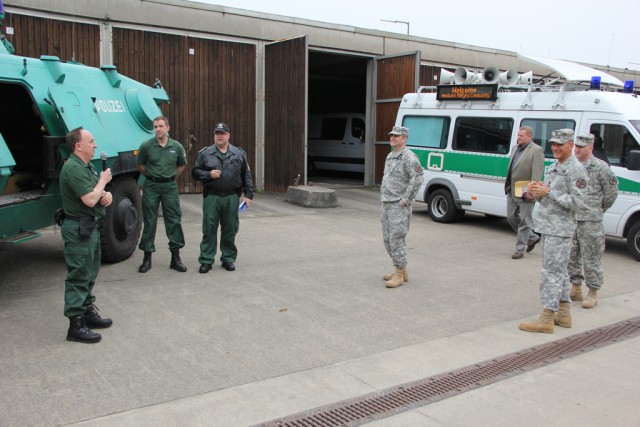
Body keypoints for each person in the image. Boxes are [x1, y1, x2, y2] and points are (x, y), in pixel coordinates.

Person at [519, 129, 587, 333]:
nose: (555, 148)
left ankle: (547, 317)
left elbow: (577, 203)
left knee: (551, 273)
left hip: (561, 229)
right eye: (553, 144)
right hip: (548, 227)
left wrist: (549, 192)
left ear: (571, 145)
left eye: (560, 144)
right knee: (560, 272)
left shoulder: (576, 170)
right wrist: (537, 191)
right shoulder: (555, 167)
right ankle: (563, 313)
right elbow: (548, 196)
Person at [59, 127, 114, 343]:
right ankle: (75, 325)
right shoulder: (73, 168)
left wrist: (106, 194)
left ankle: (87, 312)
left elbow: (95, 194)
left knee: (90, 271)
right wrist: (103, 182)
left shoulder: (86, 166)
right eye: (91, 141)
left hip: (89, 226)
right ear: (78, 145)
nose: (95, 145)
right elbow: (89, 200)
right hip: (78, 228)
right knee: (78, 275)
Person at [192, 122, 254, 273]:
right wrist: (208, 175)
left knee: (230, 229)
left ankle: (228, 258)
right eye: (217, 133)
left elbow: (246, 175)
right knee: (209, 229)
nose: (219, 136)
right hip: (212, 197)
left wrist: (249, 195)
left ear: (228, 135)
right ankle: (206, 259)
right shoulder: (205, 153)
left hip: (232, 198)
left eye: (222, 133)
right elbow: (195, 172)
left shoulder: (239, 154)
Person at [568, 133, 618, 308]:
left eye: (581, 147)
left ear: (590, 148)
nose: (577, 149)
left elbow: (611, 192)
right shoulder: (572, 166)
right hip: (572, 218)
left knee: (591, 257)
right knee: (572, 255)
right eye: (576, 146)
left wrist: (599, 208)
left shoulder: (601, 167)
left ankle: (593, 291)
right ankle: (575, 287)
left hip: (591, 221)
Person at [136, 116, 188, 273]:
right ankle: (147, 258)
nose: (158, 129)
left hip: (170, 187)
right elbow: (140, 165)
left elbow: (181, 165)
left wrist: (169, 177)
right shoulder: (146, 146)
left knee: (173, 221)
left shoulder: (176, 147)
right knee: (150, 221)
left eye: (160, 126)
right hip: (151, 186)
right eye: (155, 126)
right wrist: (153, 176)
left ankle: (175, 258)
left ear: (168, 128)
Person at [380, 126, 423, 288]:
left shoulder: (409, 157)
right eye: (392, 135)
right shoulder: (391, 156)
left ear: (404, 138)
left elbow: (417, 178)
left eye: (397, 136)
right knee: (387, 239)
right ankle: (401, 269)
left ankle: (399, 272)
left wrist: (407, 199)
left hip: (399, 205)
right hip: (387, 203)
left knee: (396, 239)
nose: (393, 138)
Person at [504, 126, 545, 259]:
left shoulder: (536, 150)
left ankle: (519, 249)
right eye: (518, 135)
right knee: (511, 216)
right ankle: (532, 237)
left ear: (529, 136)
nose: (518, 138)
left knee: (525, 220)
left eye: (521, 136)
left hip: (525, 190)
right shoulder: (515, 148)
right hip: (512, 188)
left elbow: (537, 173)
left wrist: (532, 192)